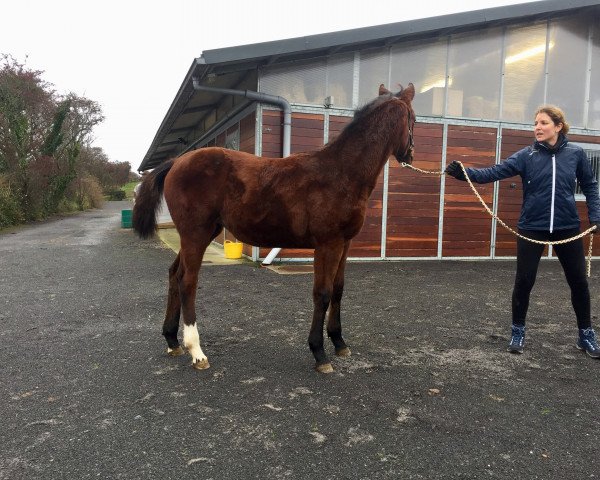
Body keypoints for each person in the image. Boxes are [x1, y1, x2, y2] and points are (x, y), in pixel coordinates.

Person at [445, 105, 600, 358]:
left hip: (566, 226)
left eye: (543, 123)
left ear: (558, 126)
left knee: (579, 282)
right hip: (532, 227)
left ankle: (585, 334)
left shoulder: (576, 153)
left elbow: (591, 186)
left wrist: (596, 216)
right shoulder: (526, 155)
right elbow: (494, 172)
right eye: (535, 123)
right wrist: (465, 173)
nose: (537, 127)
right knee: (524, 281)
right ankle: (517, 330)